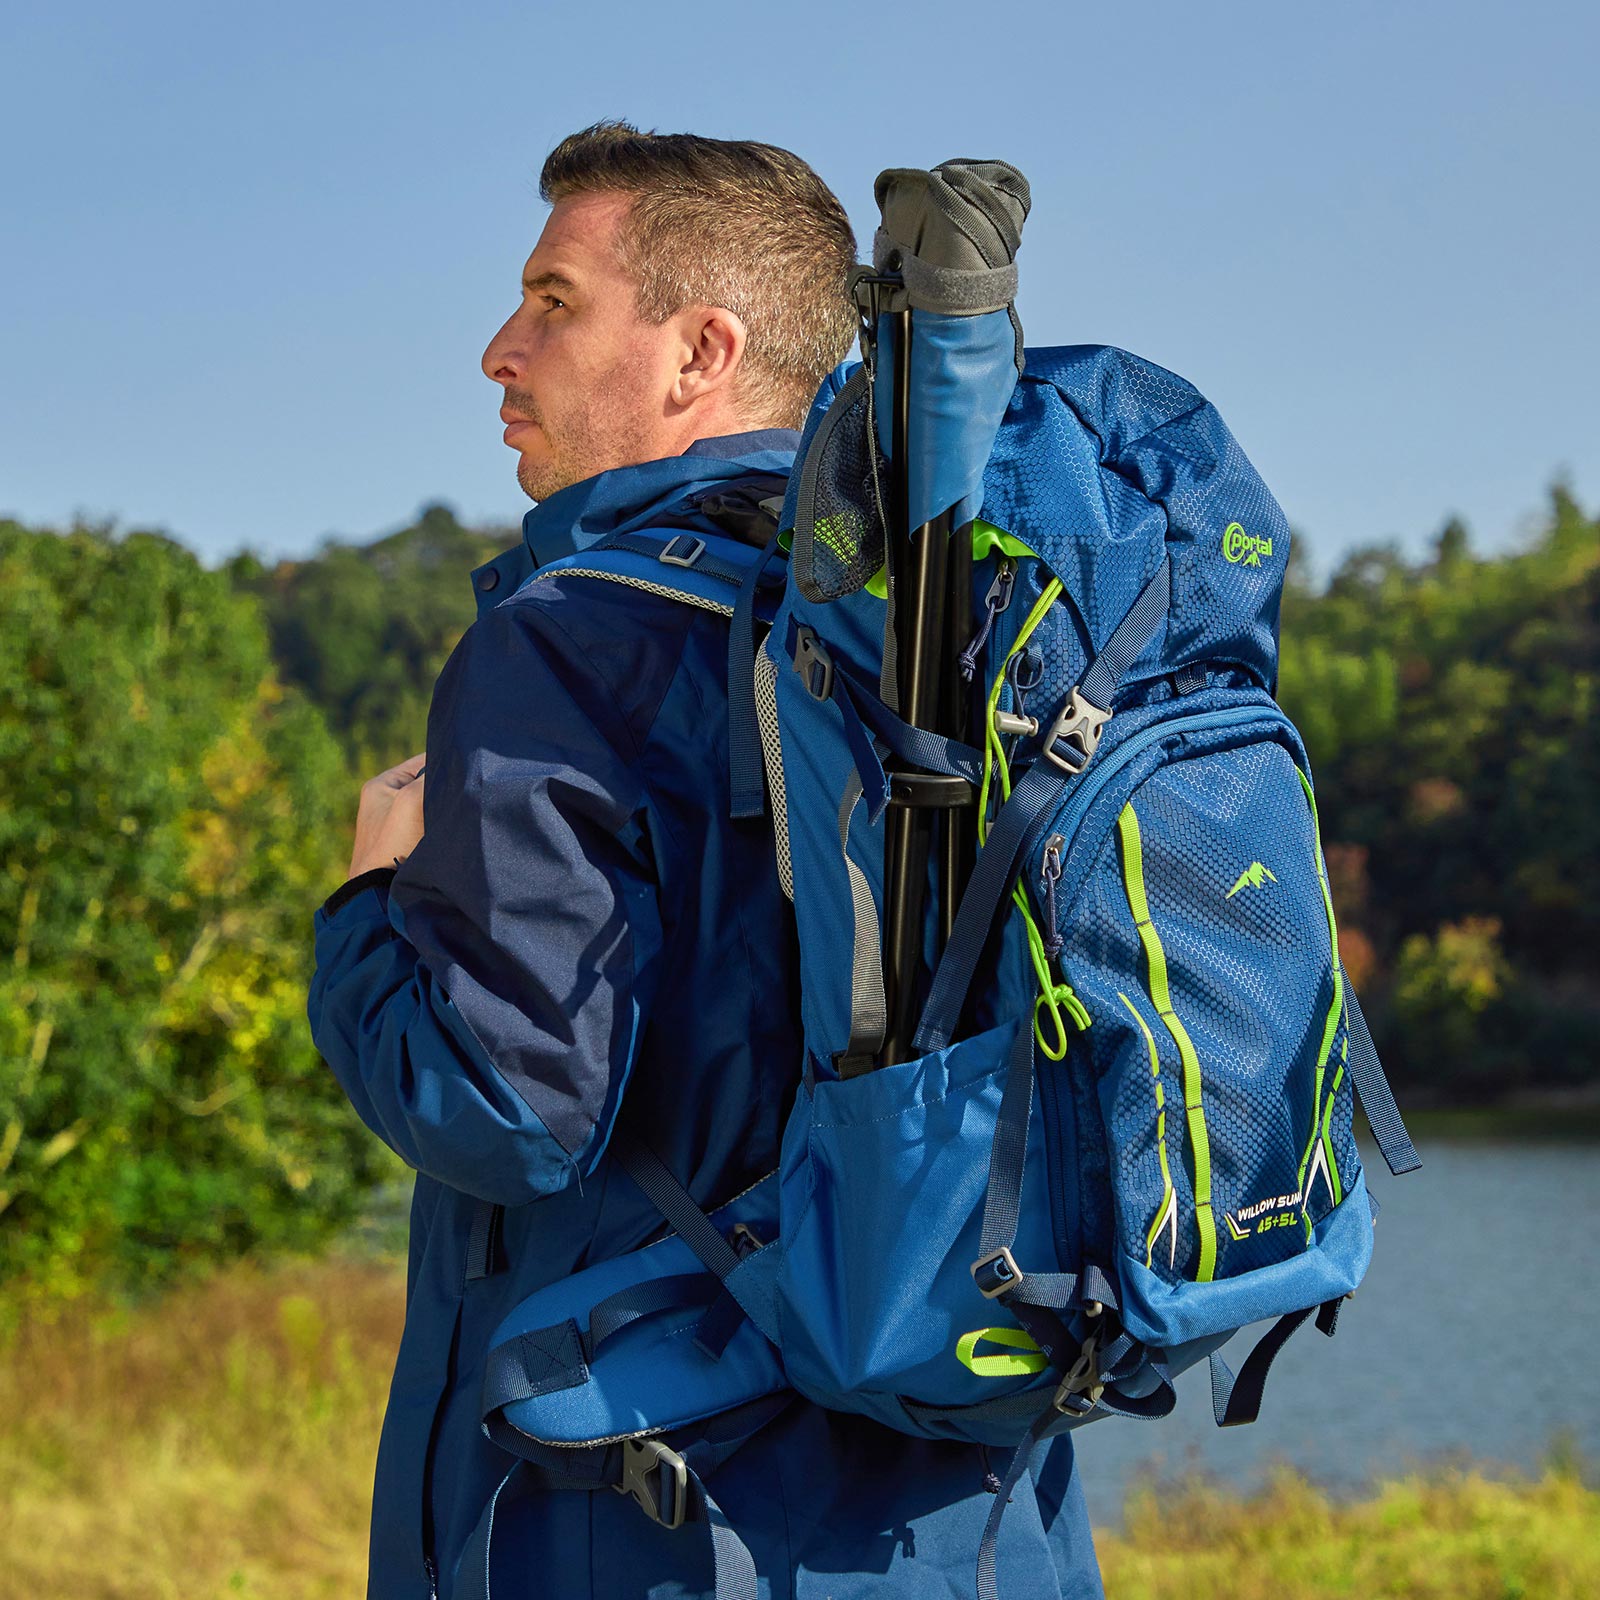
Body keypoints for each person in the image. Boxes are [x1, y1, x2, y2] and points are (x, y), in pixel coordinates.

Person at [308, 122, 1104, 1600]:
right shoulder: (961, 628)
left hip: (653, 1517)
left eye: (554, 300)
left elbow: (503, 1111)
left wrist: (366, 909)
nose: (499, 349)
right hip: (974, 1519)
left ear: (699, 352)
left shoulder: (569, 648)